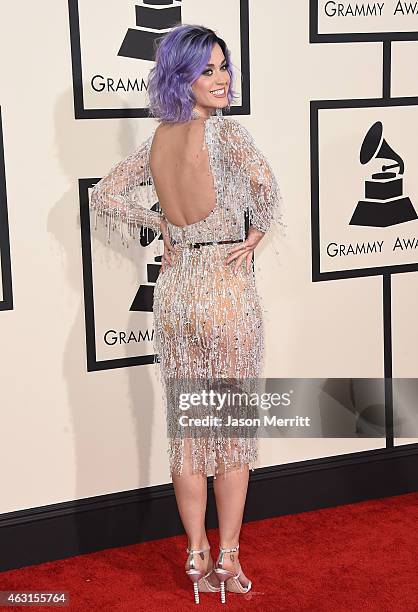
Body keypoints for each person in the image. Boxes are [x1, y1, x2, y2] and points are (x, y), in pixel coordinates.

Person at [89, 24, 283, 604]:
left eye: (224, 67)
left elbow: (105, 194)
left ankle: (195, 553)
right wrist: (254, 234)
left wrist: (160, 228)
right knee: (232, 436)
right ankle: (229, 559)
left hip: (175, 292)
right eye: (208, 70)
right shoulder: (227, 137)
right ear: (182, 78)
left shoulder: (156, 141)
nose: (222, 80)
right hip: (224, 293)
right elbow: (268, 192)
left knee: (188, 434)